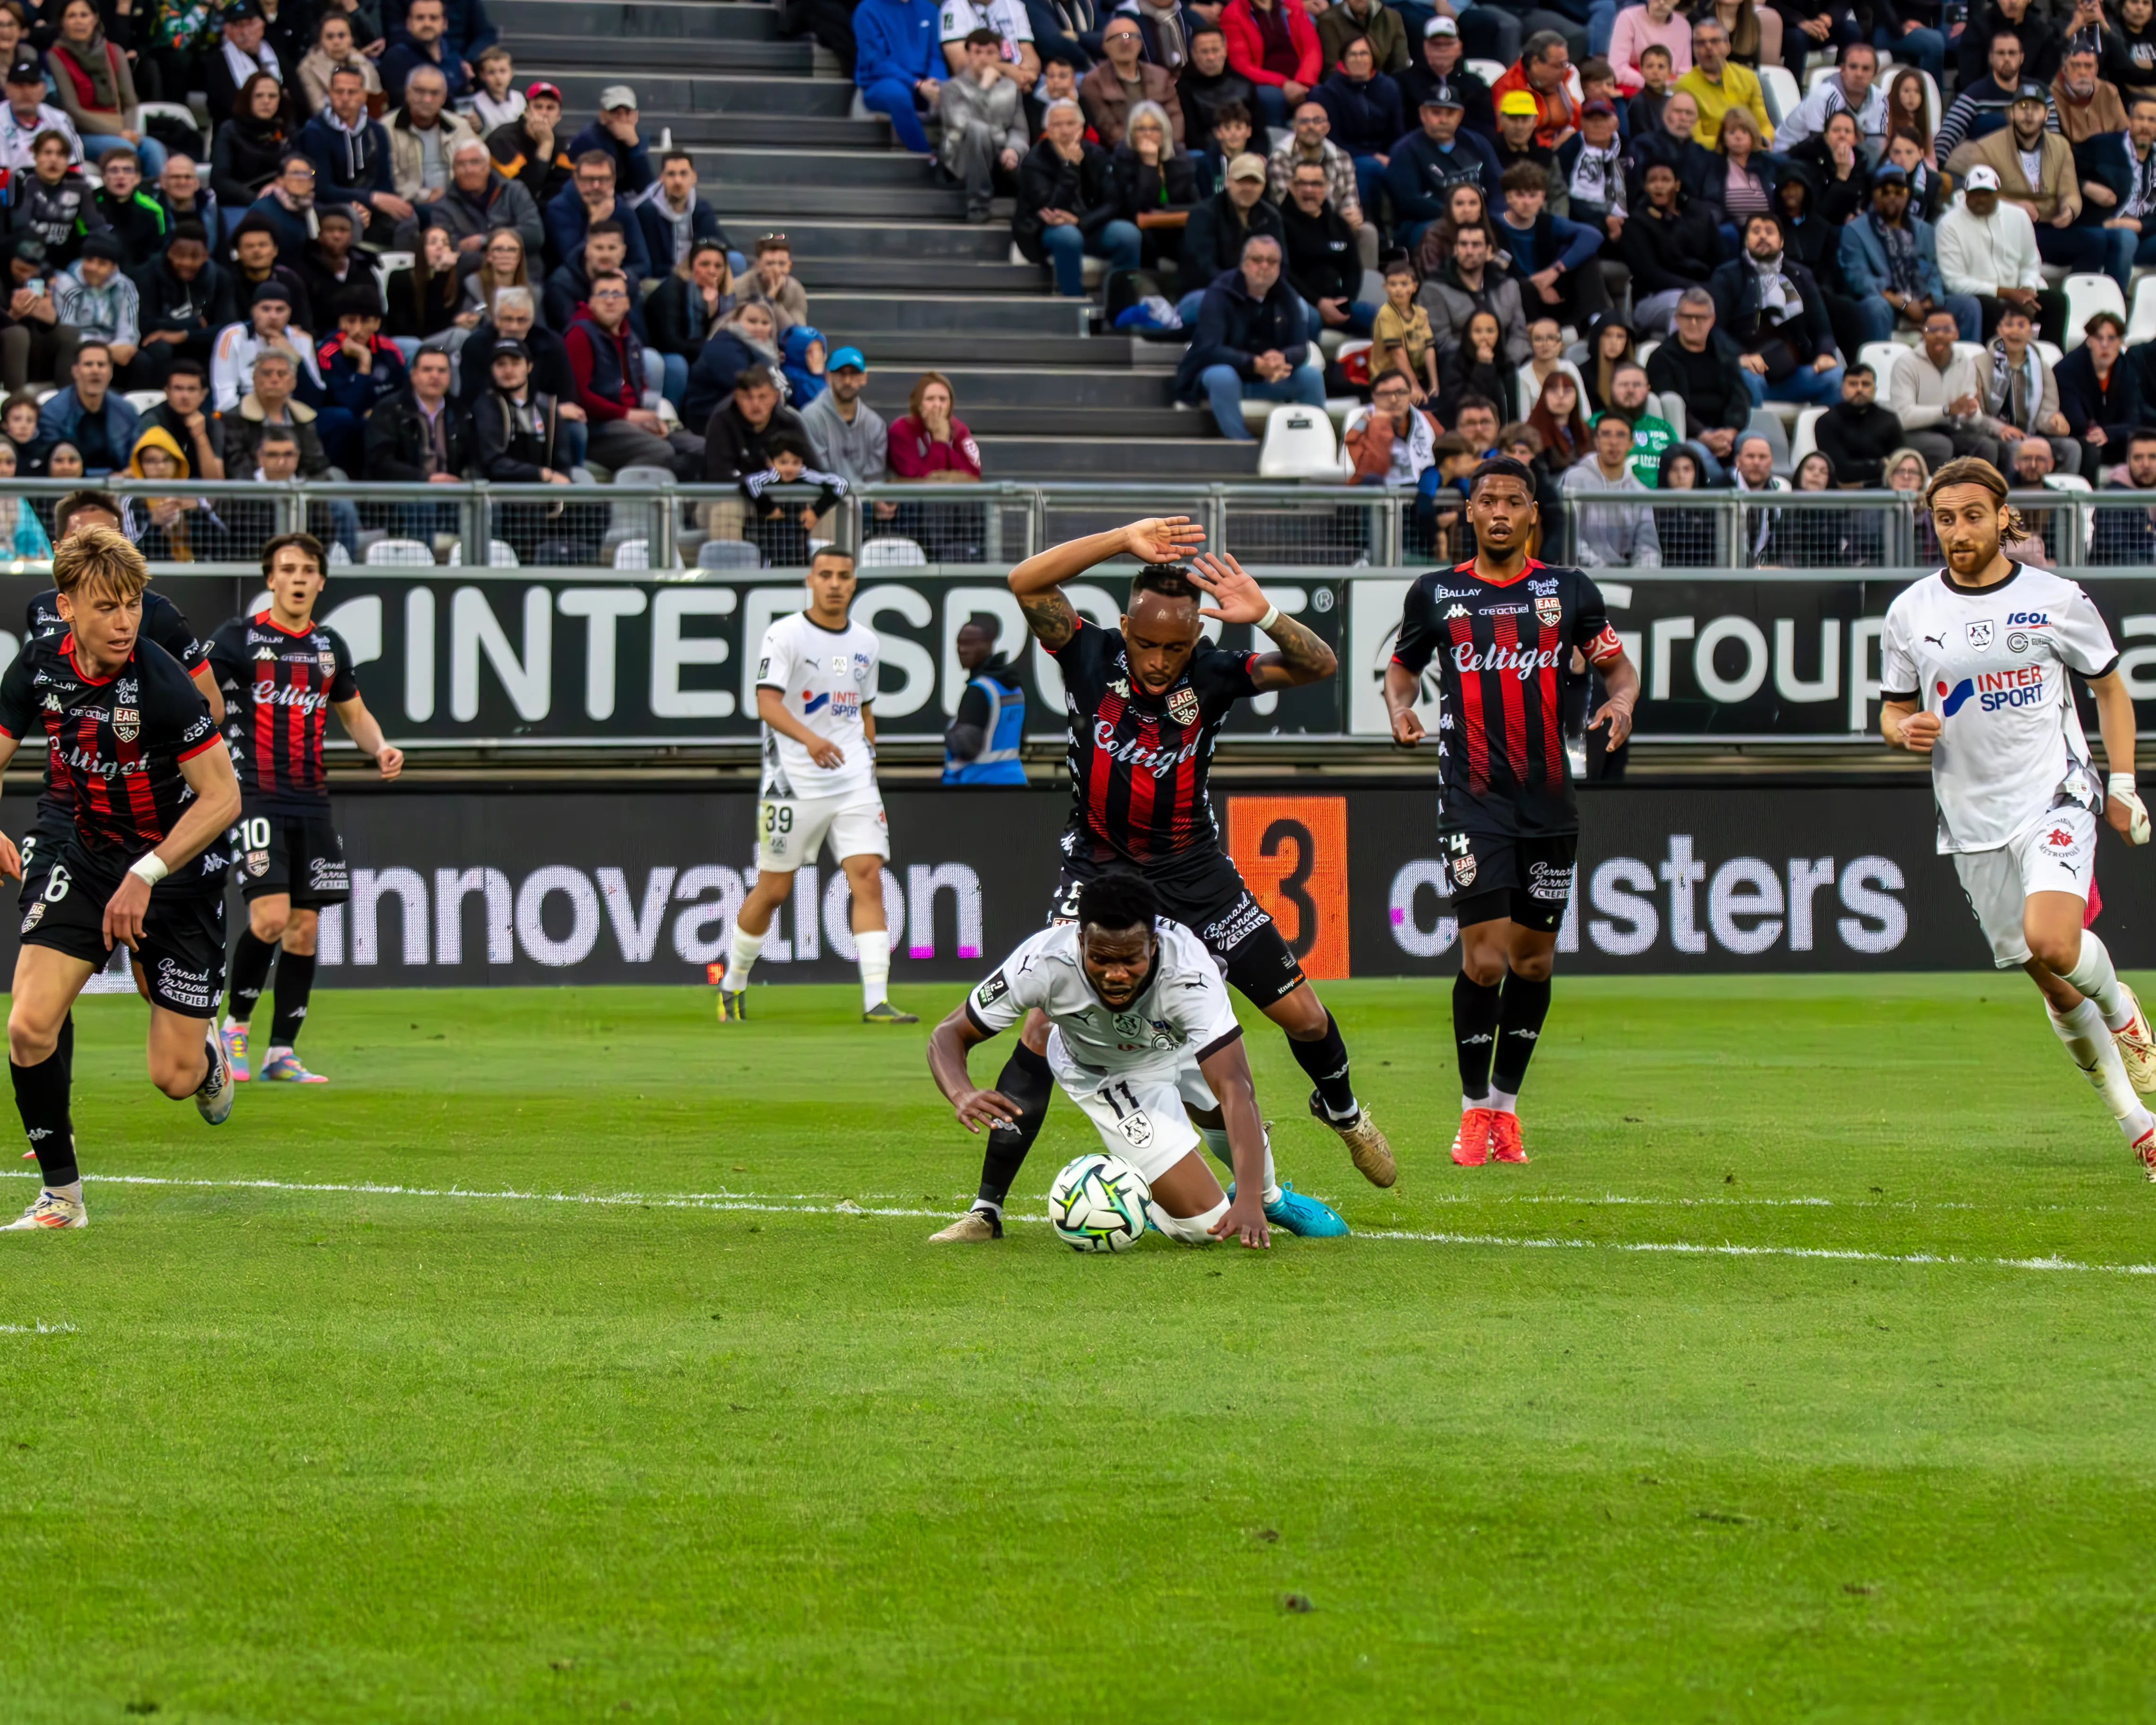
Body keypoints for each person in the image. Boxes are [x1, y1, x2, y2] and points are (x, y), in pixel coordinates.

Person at [930, 520, 1389, 1246]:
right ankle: (987, 1210)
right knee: (1043, 1021)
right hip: (1099, 870)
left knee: (1302, 1016)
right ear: (1124, 628)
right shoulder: (1087, 654)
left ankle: (1343, 1116)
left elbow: (1321, 665)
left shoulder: (1211, 674)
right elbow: (1026, 582)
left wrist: (1265, 615)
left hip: (1194, 871)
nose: (1160, 661)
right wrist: (1120, 540)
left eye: (1178, 648)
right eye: (1148, 644)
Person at [1879, 455, 2156, 1175]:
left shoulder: (2056, 598)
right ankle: (2139, 1124)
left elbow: (2111, 690)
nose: (1959, 530)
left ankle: (2125, 1013)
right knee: (2053, 981)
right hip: (1972, 821)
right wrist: (1901, 731)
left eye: (1974, 515)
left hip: (2054, 794)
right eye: (1945, 519)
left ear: (2005, 517)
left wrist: (2121, 785)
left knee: (2057, 941)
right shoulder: (1911, 612)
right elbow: (1893, 710)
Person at [1385, 456, 1636, 1167]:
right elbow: (1403, 666)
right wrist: (1400, 708)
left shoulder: (1569, 591)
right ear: (1469, 512)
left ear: (1533, 514)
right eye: (1486, 501)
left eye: (1512, 502)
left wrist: (1620, 700)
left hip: (1550, 801)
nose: (1499, 512)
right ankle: (1470, 1113)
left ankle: (1506, 1110)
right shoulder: (1437, 593)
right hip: (1472, 797)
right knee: (1487, 959)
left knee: (1534, 962)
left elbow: (1618, 666)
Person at [0, 523, 240, 1222]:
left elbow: (224, 796)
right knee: (28, 1026)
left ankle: (208, 1055)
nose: (124, 620)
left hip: (178, 869)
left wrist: (150, 871)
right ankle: (62, 1196)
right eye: (106, 606)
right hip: (89, 855)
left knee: (173, 1077)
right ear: (66, 607)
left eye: (132, 603)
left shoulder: (161, 681)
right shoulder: (40, 665)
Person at [932, 869, 1337, 1250]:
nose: (1116, 974)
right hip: (1107, 1074)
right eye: (1102, 960)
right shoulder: (1040, 962)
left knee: (1225, 1121)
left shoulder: (1190, 972)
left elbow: (1236, 1089)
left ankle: (1272, 1200)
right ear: (1080, 943)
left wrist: (1249, 1199)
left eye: (1131, 960)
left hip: (1181, 1044)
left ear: (1154, 944)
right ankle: (1161, 1203)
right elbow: (949, 1034)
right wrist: (960, 1092)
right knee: (1206, 1228)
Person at [208, 532, 400, 1085]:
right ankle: (235, 1028)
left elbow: (354, 714)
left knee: (304, 931)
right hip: (256, 798)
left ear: (321, 581)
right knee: (268, 919)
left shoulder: (329, 645)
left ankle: (281, 1053)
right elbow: (198, 694)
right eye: (287, 569)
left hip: (313, 802)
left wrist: (381, 746)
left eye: (307, 570)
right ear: (270, 579)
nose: (297, 578)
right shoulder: (238, 639)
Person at [714, 548, 914, 1021]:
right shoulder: (785, 634)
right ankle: (733, 983)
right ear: (811, 580)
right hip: (793, 782)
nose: (835, 584)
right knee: (774, 890)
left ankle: (877, 1000)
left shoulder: (866, 642)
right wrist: (813, 741)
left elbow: (865, 708)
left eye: (844, 576)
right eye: (826, 575)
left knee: (867, 877)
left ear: (854, 583)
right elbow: (767, 702)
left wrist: (870, 752)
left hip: (853, 783)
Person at [1947, 80, 2127, 291]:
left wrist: (2069, 210)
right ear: (2011, 113)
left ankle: (2077, 299)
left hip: (2046, 228)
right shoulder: (1988, 148)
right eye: (2023, 108)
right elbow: (1965, 190)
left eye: (2035, 108)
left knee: (2096, 241)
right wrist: (2013, 204)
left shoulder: (2060, 146)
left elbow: (2070, 191)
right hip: (2007, 231)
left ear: (2045, 114)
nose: (2029, 115)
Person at [1174, 232, 1321, 440]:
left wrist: (1282, 358)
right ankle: (1242, 446)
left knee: (1310, 377)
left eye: (1272, 262)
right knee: (1222, 377)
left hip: (1267, 378)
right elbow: (1209, 349)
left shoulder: (1287, 295)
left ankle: (1313, 443)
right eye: (1257, 260)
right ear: (1243, 264)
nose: (1264, 267)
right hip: (1221, 376)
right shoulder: (1219, 293)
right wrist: (1254, 363)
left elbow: (1301, 347)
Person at [565, 268, 697, 477]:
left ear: (627, 303)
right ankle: (623, 497)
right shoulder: (580, 334)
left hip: (631, 421)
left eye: (617, 294)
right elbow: (581, 397)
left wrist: (651, 419)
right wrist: (629, 415)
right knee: (661, 452)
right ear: (591, 302)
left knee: (699, 448)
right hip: (600, 427)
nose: (610, 301)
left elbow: (640, 387)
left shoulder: (631, 338)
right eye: (603, 294)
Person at [1709, 210, 1842, 410]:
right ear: (1746, 241)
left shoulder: (1801, 275)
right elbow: (1715, 329)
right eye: (1756, 231)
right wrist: (1740, 357)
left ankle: (1819, 437)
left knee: (1835, 377)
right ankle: (1756, 439)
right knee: (1748, 379)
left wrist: (1825, 354)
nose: (1762, 236)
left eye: (1769, 231)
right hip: (1749, 372)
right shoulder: (1726, 276)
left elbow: (1822, 327)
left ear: (1781, 242)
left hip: (1792, 372)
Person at [1838, 165, 1978, 346]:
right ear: (1874, 195)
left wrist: (1930, 300)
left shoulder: (1925, 231)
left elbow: (1935, 271)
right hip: (1888, 304)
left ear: (1907, 195)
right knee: (1875, 307)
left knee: (1969, 306)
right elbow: (1860, 279)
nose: (1892, 198)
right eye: (1884, 192)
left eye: (1899, 192)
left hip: (1924, 302)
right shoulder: (1855, 231)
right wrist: (1904, 303)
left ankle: (1966, 368)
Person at [1014, 98, 1140, 297]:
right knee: (1068, 237)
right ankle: (1073, 302)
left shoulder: (1096, 154)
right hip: (1043, 231)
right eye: (1057, 125)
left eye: (1070, 124)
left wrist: (1081, 222)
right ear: (1047, 129)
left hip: (1087, 225)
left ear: (1081, 128)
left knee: (1128, 235)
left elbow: (1114, 201)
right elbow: (1050, 208)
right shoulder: (1034, 161)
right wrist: (1070, 169)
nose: (1065, 131)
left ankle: (1120, 301)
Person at [1937, 164, 2061, 343]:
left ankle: (2050, 359)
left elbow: (2031, 262)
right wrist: (2006, 293)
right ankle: (1991, 360)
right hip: (1982, 297)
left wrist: (2027, 290)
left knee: (2056, 302)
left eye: (1987, 194)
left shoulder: (2018, 216)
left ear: (1998, 194)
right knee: (1989, 306)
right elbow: (1954, 282)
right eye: (1975, 194)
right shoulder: (1949, 225)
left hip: (2018, 291)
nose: (1981, 200)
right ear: (1966, 194)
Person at [44, 0, 167, 181]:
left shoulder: (114, 52)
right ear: (63, 22)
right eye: (72, 16)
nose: (79, 21)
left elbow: (130, 102)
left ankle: (156, 201)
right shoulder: (56, 56)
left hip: (119, 129)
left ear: (94, 19)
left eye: (84, 15)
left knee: (154, 149)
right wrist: (119, 133)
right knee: (124, 149)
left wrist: (129, 131)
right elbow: (72, 111)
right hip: (81, 134)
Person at [1384, 85, 1501, 252]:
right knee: (1439, 231)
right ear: (1423, 114)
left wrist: (1493, 216)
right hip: (1426, 221)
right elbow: (1408, 201)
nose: (1443, 120)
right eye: (1436, 113)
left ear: (1460, 115)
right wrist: (1457, 214)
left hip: (1479, 217)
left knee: (1505, 223)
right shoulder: (1405, 150)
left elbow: (1497, 185)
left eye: (1450, 114)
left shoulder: (1477, 143)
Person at [1494, 159, 1608, 331]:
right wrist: (1536, 284)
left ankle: (1596, 323)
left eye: (1533, 196)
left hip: (1553, 290)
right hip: (1519, 295)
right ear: (1507, 196)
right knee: (1521, 287)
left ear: (1542, 198)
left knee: (1587, 257)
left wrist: (1554, 271)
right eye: (1520, 195)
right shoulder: (1494, 226)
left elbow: (1593, 235)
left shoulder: (1548, 222)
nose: (1527, 202)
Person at [1645, 287, 1745, 470]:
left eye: (1700, 318)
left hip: (1727, 435)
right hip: (1688, 436)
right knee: (1703, 462)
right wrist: (1704, 435)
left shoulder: (1725, 353)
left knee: (1755, 446)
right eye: (1687, 317)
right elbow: (1670, 406)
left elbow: (1740, 398)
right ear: (1677, 319)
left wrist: (1730, 432)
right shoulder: (1661, 358)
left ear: (1712, 320)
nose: (1693, 323)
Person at [1979, 301, 2078, 476]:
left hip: (2031, 435)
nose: (2015, 331)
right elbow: (1976, 415)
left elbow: (2047, 411)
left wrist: (2054, 423)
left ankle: (2058, 501)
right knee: (2016, 448)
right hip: (1995, 435)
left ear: (2031, 331)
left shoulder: (2042, 367)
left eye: (2021, 325)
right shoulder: (1979, 365)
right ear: (1999, 330)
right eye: (2009, 325)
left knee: (2071, 448)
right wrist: (2000, 429)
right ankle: (2011, 500)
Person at [1619, 159, 1717, 334]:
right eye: (1653, 181)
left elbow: (1720, 256)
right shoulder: (1636, 223)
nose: (1659, 186)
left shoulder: (1699, 216)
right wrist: (1695, 288)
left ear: (1677, 185)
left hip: (1702, 289)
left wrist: (1716, 287)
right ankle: (1682, 358)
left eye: (1665, 180)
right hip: (1653, 298)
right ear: (1645, 187)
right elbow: (1650, 274)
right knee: (1684, 304)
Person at [945, 26, 1031, 221]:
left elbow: (1019, 129)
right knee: (978, 130)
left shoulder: (1010, 87)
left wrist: (1013, 149)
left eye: (990, 53)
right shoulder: (952, 88)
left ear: (999, 57)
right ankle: (978, 206)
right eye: (977, 52)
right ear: (968, 55)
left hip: (999, 158)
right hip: (962, 160)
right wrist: (984, 87)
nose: (984, 58)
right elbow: (961, 126)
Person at [388, 67, 484, 238]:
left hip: (457, 199)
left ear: (444, 97)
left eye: (434, 93)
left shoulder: (459, 126)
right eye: (420, 91)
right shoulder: (387, 128)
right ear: (407, 93)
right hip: (413, 204)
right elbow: (390, 178)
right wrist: (426, 196)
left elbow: (480, 164)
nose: (427, 99)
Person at [1279, 158, 1369, 334]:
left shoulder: (1339, 224)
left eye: (1316, 184)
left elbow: (1353, 269)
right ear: (1291, 186)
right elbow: (1285, 273)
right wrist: (1319, 302)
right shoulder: (1279, 223)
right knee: (1310, 318)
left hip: (1336, 302)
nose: (1308, 190)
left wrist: (1344, 301)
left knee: (1379, 318)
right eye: (1301, 183)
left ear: (1327, 187)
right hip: (1299, 304)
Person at [1936, 30, 2053, 160]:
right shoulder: (1975, 94)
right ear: (1991, 58)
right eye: (2001, 53)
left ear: (2022, 58)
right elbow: (1946, 137)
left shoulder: (2041, 92)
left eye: (2012, 53)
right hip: (1987, 166)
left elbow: (2054, 140)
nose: (2007, 58)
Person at [1419, 221, 1529, 358]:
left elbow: (1519, 334)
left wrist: (1507, 363)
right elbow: (1441, 342)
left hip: (1506, 366)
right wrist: (1480, 359)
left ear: (1488, 251)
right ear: (1455, 250)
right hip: (1459, 369)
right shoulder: (1434, 289)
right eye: (1463, 245)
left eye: (1476, 245)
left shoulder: (1508, 286)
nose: (1469, 251)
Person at [2055, 311, 2144, 476]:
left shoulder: (2126, 369)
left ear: (2120, 342)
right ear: (2089, 340)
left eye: (2111, 338)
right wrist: (2101, 433)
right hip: (2079, 438)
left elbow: (2133, 420)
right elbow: (2076, 421)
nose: (2105, 345)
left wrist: (2108, 433)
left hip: (2113, 438)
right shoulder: (2068, 369)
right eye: (2098, 338)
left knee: (2142, 443)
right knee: (2091, 447)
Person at [942, 615, 1026, 784]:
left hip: (978, 788)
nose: (962, 649)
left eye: (970, 643)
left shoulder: (979, 690)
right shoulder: (1013, 687)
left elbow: (966, 747)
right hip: (1014, 783)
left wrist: (950, 734)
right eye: (960, 643)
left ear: (989, 645)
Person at [855, 0, 944, 157]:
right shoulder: (867, 10)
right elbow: (878, 63)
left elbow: (936, 56)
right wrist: (916, 84)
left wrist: (936, 82)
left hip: (925, 83)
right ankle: (925, 157)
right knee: (899, 95)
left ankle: (958, 163)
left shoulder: (930, 9)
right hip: (881, 82)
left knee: (956, 91)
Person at [35, 342, 139, 475]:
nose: (95, 371)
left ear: (111, 372)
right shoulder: (52, 412)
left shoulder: (127, 411)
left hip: (119, 486)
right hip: (69, 485)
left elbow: (136, 460)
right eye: (88, 364)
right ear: (75, 371)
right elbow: (53, 465)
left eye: (101, 365)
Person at [1080, 14, 1183, 147]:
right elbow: (1108, 128)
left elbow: (1175, 118)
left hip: (1167, 150)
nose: (1126, 42)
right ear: (1105, 46)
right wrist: (1142, 150)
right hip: (1123, 156)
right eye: (1118, 37)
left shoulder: (1161, 76)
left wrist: (1167, 148)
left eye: (1131, 36)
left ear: (1140, 43)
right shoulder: (1093, 83)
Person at [1219, 0, 1321, 131]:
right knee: (1272, 97)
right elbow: (1241, 65)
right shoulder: (1234, 14)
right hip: (1264, 81)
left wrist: (1305, 81)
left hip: (1300, 78)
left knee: (1319, 94)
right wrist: (1283, 83)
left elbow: (1312, 49)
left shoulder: (1293, 5)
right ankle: (1276, 144)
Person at [51, 234, 139, 379]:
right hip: (79, 347)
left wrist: (119, 348)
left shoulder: (125, 286)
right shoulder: (66, 284)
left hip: (113, 348)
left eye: (102, 263)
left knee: (140, 361)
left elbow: (129, 331)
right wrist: (103, 352)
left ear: (113, 267)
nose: (93, 268)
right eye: (89, 260)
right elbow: (68, 330)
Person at [1677, 17, 1771, 151]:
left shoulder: (1748, 77)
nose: (1708, 47)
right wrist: (1734, 144)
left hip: (1753, 152)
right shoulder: (1684, 86)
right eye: (1701, 43)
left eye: (1714, 41)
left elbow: (1764, 124)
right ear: (1694, 49)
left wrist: (1764, 141)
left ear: (1728, 46)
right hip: (1712, 157)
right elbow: (1696, 138)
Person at [1400, 17, 1496, 137]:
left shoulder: (1475, 86)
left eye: (1449, 44)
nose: (1442, 49)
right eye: (1436, 44)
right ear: (1425, 47)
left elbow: (1485, 129)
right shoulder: (1404, 82)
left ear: (1459, 48)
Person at [488, 78, 573, 205]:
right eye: (538, 107)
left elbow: (563, 188)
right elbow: (521, 193)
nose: (544, 113)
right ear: (526, 112)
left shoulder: (562, 144)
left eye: (550, 108)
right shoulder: (502, 139)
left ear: (559, 116)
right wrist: (545, 146)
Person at [1814, 360, 1901, 485]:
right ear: (1842, 389)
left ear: (1875, 390)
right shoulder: (1826, 422)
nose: (1859, 389)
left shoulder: (1889, 420)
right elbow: (1839, 470)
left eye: (1865, 384)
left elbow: (1899, 463)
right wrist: (1880, 466)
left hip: (1885, 490)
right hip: (1840, 494)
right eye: (1853, 384)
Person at [0, 50, 81, 178]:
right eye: (19, 85)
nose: (26, 92)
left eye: (32, 85)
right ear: (7, 89)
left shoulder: (60, 119)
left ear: (43, 89)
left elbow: (75, 166)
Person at [565, 84, 653, 195]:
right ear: (603, 116)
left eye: (627, 112)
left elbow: (646, 189)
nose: (622, 119)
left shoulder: (637, 138)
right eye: (615, 112)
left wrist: (634, 146)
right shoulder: (588, 140)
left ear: (636, 116)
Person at [1370, 254, 1436, 401]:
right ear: (1385, 287)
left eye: (1404, 284)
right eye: (1393, 284)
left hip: (1416, 375)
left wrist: (1434, 384)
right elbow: (1398, 353)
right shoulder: (1386, 314)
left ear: (1415, 287)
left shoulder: (1421, 313)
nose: (1398, 290)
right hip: (1389, 378)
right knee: (1423, 406)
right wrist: (1414, 386)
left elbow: (1429, 348)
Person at [90, 149, 168, 269]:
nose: (121, 176)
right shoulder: (89, 204)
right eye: (114, 171)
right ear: (104, 178)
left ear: (137, 178)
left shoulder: (153, 211)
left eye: (127, 170)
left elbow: (157, 253)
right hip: (96, 269)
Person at [381, 0, 469, 105]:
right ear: (409, 24)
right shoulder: (396, 58)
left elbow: (463, 99)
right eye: (420, 18)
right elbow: (407, 104)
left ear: (445, 24)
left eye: (434, 18)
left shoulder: (454, 58)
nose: (427, 24)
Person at [298, 9, 383, 115]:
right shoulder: (308, 68)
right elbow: (319, 109)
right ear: (320, 41)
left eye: (342, 36)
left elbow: (377, 103)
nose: (336, 42)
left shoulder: (365, 63)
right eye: (330, 37)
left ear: (351, 39)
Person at [2093, 426, 2156, 564]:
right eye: (2138, 458)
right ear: (2128, 461)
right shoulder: (2112, 499)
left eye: (2153, 457)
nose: (2146, 464)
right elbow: (2115, 555)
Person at [1605, 360, 1674, 482]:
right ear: (1611, 388)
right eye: (1623, 385)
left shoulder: (1664, 427)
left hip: (1661, 498)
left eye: (1637, 385)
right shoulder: (1595, 425)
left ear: (1648, 389)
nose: (1631, 390)